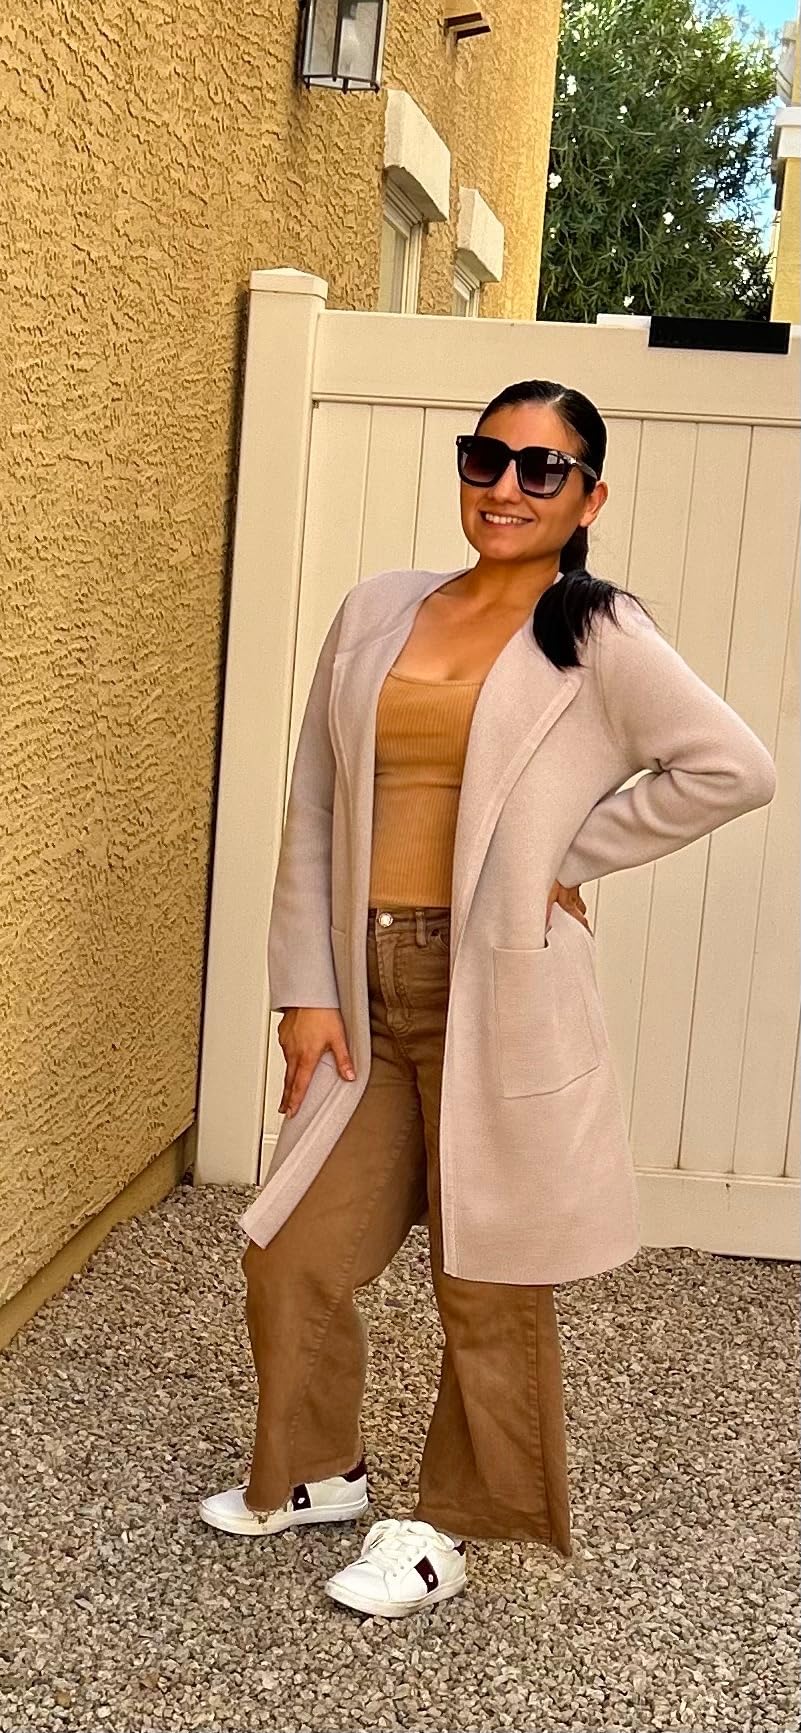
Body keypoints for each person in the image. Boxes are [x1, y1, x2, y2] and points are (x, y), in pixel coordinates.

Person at [199, 378, 777, 1619]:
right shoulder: (377, 609)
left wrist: (565, 854)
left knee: (491, 1272)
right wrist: (305, 988)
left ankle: (459, 1520)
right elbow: (315, 802)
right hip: (365, 986)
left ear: (588, 498)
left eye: (541, 468)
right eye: (487, 457)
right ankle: (318, 1468)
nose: (506, 486)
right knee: (292, 1249)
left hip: (501, 991)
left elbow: (734, 766)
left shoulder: (598, 633)